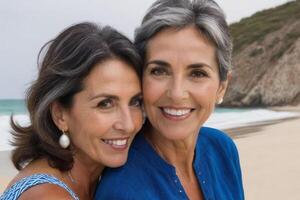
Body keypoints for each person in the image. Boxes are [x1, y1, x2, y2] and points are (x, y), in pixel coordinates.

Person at [95, 0, 244, 199]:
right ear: (140, 78)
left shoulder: (222, 149)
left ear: (221, 87)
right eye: (159, 71)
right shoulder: (122, 190)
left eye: (197, 73)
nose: (176, 93)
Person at [0, 22, 143, 200]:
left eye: (136, 102)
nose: (128, 124)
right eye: (105, 104)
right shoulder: (47, 195)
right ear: (60, 115)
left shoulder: (91, 182)